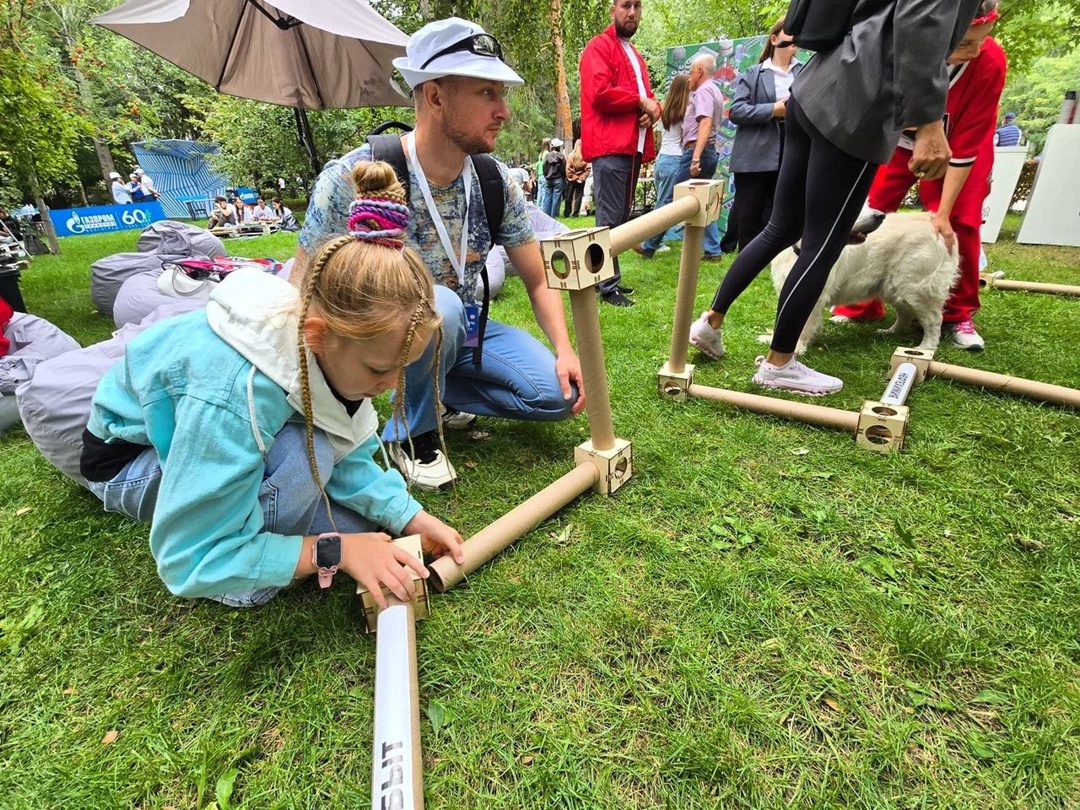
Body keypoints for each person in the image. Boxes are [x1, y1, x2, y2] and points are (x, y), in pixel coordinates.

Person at [79, 162, 465, 608]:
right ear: (318, 334)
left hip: (211, 427)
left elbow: (349, 444)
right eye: (381, 370)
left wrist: (409, 516)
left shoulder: (339, 353)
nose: (391, 386)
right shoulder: (232, 396)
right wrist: (332, 550)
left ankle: (290, 534)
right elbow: (187, 559)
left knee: (360, 523)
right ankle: (246, 581)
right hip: (127, 461)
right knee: (314, 458)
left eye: (404, 368)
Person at [294, 17, 585, 491]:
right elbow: (303, 283)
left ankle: (434, 392)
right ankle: (412, 435)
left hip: (466, 328)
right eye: (487, 93)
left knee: (555, 396)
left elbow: (536, 278)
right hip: (387, 332)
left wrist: (565, 349)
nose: (503, 111)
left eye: (501, 94)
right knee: (439, 307)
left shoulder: (495, 181)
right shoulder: (357, 175)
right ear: (435, 96)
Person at [687, 0, 983, 395]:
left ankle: (710, 322)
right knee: (822, 245)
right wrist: (930, 121)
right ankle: (779, 364)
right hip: (859, 107)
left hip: (814, 88)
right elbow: (921, 22)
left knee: (781, 227)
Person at [830, 1, 1007, 351]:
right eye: (964, 44)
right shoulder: (900, 47)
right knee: (872, 210)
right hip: (899, 140)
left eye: (981, 41)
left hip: (959, 145)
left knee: (959, 222)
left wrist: (942, 212)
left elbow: (970, 140)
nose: (974, 52)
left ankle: (958, 313)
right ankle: (861, 301)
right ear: (939, 35)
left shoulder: (989, 63)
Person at [579, 0, 660, 307]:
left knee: (619, 219)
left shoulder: (634, 54)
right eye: (626, 5)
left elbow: (650, 101)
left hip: (631, 146)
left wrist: (653, 110)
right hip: (611, 146)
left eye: (637, 6)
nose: (632, 12)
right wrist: (641, 103)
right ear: (613, 9)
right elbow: (599, 94)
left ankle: (608, 280)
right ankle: (606, 284)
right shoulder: (599, 47)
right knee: (610, 220)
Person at [725, 19, 803, 252]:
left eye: (796, 37)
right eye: (789, 36)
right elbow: (736, 111)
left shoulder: (805, 71)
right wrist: (773, 109)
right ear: (774, 39)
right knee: (750, 208)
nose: (793, 43)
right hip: (755, 152)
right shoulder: (753, 73)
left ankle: (777, 255)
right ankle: (747, 256)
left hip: (793, 146)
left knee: (782, 206)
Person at [674, 52, 726, 262]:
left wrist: (695, 158)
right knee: (702, 201)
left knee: (674, 197)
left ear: (699, 71)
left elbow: (705, 123)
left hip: (698, 151)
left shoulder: (704, 91)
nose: (689, 77)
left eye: (691, 71)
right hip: (707, 151)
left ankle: (649, 244)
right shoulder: (714, 90)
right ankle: (713, 250)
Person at [633, 73, 690, 258]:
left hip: (662, 159)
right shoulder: (685, 111)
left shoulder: (663, 110)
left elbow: (658, 137)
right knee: (664, 207)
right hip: (675, 160)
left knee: (662, 204)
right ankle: (648, 245)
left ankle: (654, 242)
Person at [562, 140, 590, 218]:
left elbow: (568, 169)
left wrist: (574, 177)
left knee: (569, 196)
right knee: (578, 196)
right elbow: (588, 169)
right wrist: (581, 178)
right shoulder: (585, 157)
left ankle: (567, 212)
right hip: (581, 180)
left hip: (572, 180)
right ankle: (575, 213)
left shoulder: (570, 156)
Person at [541, 138, 567, 219]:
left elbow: (544, 167)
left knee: (547, 197)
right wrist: (563, 177)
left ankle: (546, 215)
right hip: (558, 179)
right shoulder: (561, 157)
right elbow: (563, 169)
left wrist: (546, 176)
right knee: (556, 198)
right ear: (559, 147)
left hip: (548, 179)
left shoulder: (547, 156)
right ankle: (554, 216)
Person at [535, 138, 552, 213]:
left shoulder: (541, 154)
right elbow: (546, 165)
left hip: (540, 175)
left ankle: (538, 207)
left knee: (540, 192)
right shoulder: (547, 153)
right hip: (544, 175)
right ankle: (543, 208)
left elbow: (538, 164)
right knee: (545, 192)